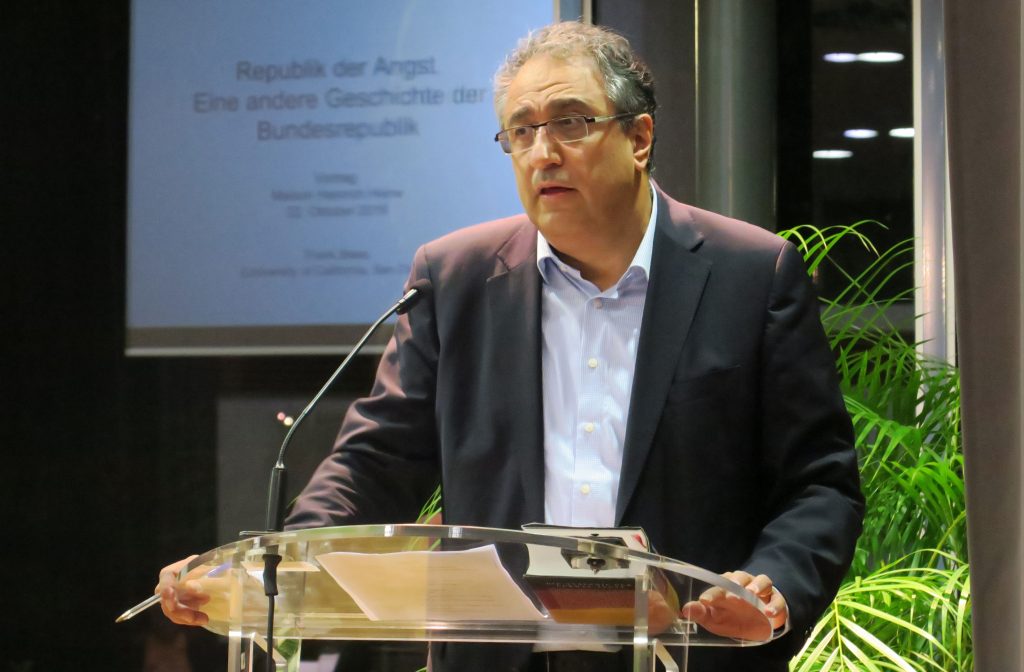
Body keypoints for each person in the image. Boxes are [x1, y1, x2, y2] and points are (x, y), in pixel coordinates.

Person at [158, 21, 863, 671]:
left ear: (640, 137)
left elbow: (819, 482)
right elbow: (376, 462)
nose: (542, 153)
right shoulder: (454, 279)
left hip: (682, 653)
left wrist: (772, 585)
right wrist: (277, 566)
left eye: (571, 123)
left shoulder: (749, 275)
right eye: (521, 131)